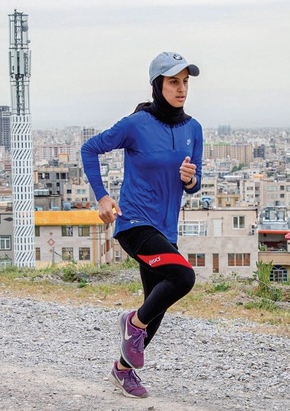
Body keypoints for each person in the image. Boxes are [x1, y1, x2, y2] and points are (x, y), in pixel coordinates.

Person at [81, 51, 203, 399]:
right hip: (134, 223)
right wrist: (103, 197)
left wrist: (190, 180)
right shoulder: (136, 124)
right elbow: (90, 149)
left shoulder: (194, 129)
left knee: (158, 304)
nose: (181, 89)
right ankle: (131, 323)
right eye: (173, 82)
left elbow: (195, 184)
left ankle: (123, 370)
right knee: (182, 277)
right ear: (157, 85)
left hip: (165, 229)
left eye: (185, 82)